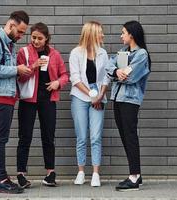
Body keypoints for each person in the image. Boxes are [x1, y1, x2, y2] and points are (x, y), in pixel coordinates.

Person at [0, 10, 31, 194]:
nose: (20, 36)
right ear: (11, 25)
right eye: (19, 31)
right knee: (1, 139)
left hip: (7, 96)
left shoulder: (7, 43)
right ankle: (3, 179)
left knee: (0, 138)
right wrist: (16, 69)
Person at [16, 22, 69, 187]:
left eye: (40, 38)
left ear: (46, 39)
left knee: (48, 136)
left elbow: (65, 75)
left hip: (48, 99)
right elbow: (19, 77)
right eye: (33, 38)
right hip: (28, 100)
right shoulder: (23, 52)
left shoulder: (55, 54)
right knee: (25, 136)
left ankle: (50, 173)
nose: (36, 41)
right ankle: (21, 174)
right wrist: (33, 66)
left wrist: (57, 84)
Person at [105, 20, 151, 191]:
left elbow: (131, 77)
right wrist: (117, 71)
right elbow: (109, 66)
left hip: (130, 100)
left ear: (131, 34)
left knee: (130, 136)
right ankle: (135, 174)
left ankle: (134, 176)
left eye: (123, 32)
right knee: (125, 136)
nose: (121, 35)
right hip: (117, 99)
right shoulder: (123, 52)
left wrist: (117, 73)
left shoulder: (141, 55)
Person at [69, 21, 110, 187]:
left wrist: (100, 95)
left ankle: (95, 174)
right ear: (92, 34)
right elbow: (75, 78)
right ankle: (80, 172)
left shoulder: (103, 53)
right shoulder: (76, 53)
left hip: (99, 98)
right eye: (100, 32)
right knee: (81, 137)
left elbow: (107, 76)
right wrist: (92, 95)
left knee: (95, 136)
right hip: (80, 97)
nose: (103, 35)